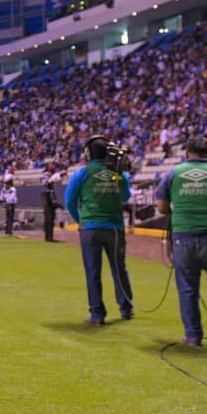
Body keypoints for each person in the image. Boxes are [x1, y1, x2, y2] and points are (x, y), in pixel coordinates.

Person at [155, 136, 207, 349]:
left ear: (187, 152)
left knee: (187, 287)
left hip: (184, 236)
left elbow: (162, 207)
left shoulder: (173, 173)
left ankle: (193, 336)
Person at [64, 137, 134, 326]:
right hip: (115, 228)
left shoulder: (82, 174)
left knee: (93, 271)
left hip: (90, 229)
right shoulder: (119, 173)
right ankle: (126, 308)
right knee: (119, 269)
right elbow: (126, 196)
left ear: (88, 153)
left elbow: (69, 201)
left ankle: (97, 314)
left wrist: (81, 221)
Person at [42, 165, 60, 242]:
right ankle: (49, 237)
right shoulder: (46, 178)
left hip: (47, 198)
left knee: (49, 219)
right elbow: (47, 182)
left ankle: (48, 236)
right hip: (47, 199)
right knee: (49, 218)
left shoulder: (50, 190)